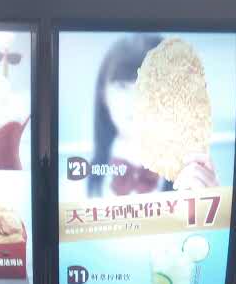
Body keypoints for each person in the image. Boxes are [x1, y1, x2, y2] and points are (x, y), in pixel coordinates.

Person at [87, 33, 219, 198]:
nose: (134, 101)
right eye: (122, 86)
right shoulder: (76, 181)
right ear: (103, 94)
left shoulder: (197, 172)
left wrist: (211, 200)